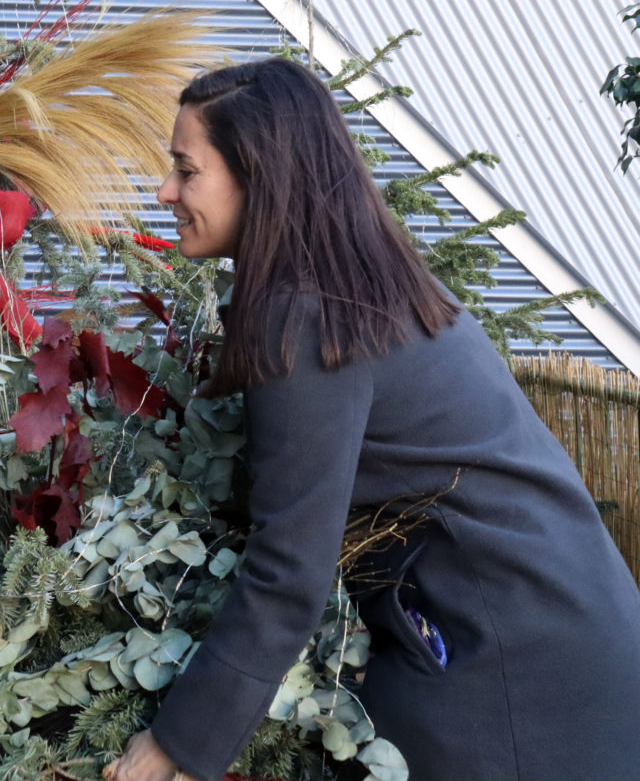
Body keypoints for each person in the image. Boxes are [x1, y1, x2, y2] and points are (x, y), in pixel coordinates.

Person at [112, 58, 640, 781]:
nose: (165, 191)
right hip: (566, 626)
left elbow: (287, 567)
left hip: (520, 663)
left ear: (258, 175)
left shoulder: (308, 317)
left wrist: (177, 745)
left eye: (185, 170)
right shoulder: (349, 288)